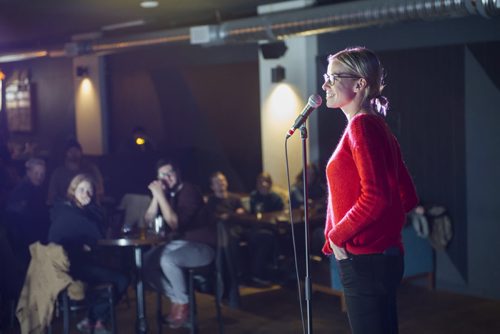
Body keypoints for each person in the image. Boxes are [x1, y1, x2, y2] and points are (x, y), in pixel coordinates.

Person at [321, 46, 419, 334]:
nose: (325, 85)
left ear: (360, 83)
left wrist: (337, 237)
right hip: (382, 257)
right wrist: (383, 234)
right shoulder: (377, 126)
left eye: (333, 77)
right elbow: (407, 196)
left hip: (364, 260)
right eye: (325, 77)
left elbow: (376, 197)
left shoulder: (361, 127)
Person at [48, 174, 129, 334]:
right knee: (122, 279)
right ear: (73, 191)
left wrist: (88, 245)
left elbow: (95, 240)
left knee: (122, 274)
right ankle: (95, 320)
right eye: (82, 190)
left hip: (82, 261)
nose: (86, 194)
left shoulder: (79, 211)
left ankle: (94, 320)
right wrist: (87, 244)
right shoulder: (69, 212)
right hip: (69, 268)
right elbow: (98, 234)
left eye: (90, 191)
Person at [142, 159, 215, 329]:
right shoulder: (166, 194)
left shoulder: (190, 191)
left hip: (202, 246)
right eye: (162, 175)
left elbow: (175, 224)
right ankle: (179, 299)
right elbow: (147, 221)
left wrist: (160, 195)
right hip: (178, 244)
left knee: (167, 259)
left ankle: (182, 305)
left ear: (178, 174)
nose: (167, 178)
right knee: (146, 262)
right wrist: (156, 197)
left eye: (170, 173)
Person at [4, 158, 50, 268]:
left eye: (42, 174)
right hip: (25, 242)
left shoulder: (38, 189)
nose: (39, 177)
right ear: (28, 172)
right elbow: (17, 218)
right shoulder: (21, 191)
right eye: (36, 173)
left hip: (36, 239)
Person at [47, 139, 104, 205]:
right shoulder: (58, 173)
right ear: (66, 153)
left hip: (88, 207)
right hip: (65, 209)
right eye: (71, 151)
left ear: (81, 152)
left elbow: (100, 191)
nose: (74, 153)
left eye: (76, 150)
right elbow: (51, 196)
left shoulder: (91, 169)